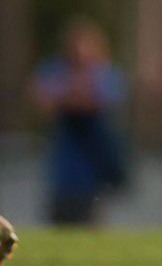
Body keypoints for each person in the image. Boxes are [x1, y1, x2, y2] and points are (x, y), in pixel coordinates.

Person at [29, 19, 128, 225]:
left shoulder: (104, 73)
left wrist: (69, 95)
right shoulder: (56, 69)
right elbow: (40, 98)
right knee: (60, 221)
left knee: (91, 221)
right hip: (63, 170)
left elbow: (97, 102)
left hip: (95, 168)